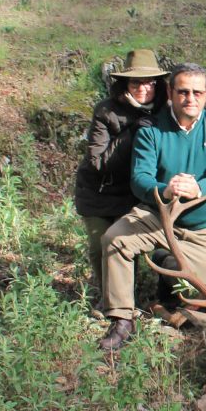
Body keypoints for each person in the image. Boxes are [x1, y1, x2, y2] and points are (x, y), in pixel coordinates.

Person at [98, 62, 206, 351]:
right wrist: (165, 189)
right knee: (115, 239)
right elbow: (139, 179)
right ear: (170, 93)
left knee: (204, 300)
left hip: (199, 229)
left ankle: (165, 264)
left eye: (197, 92)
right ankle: (122, 319)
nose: (190, 98)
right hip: (158, 217)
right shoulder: (151, 128)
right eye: (183, 92)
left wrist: (199, 188)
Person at [74, 49, 168, 307]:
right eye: (136, 82)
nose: (143, 88)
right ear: (126, 83)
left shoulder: (165, 109)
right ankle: (110, 302)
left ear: (157, 83)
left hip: (136, 193)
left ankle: (131, 296)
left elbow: (193, 108)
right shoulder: (106, 111)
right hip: (99, 194)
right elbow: (98, 162)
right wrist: (132, 133)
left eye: (149, 82)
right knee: (99, 248)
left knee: (125, 243)